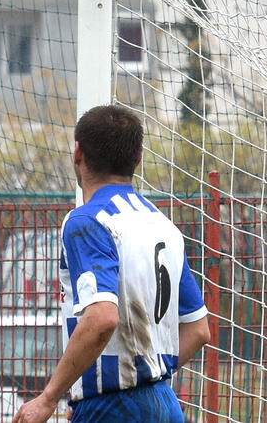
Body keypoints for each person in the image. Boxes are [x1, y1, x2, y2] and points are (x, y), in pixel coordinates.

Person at [13, 105, 210, 423]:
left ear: (77, 153)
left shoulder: (87, 220)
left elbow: (102, 318)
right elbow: (198, 330)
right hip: (166, 404)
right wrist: (146, 376)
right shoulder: (164, 227)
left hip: (112, 407)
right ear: (137, 160)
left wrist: (48, 397)